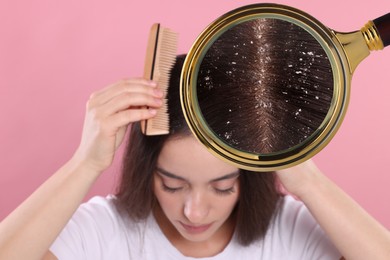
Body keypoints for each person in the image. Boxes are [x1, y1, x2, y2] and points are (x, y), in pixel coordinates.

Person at [1, 21, 390, 260]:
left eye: (222, 187)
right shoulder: (104, 230)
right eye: (172, 184)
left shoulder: (289, 231)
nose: (195, 212)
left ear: (249, 175)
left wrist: (310, 181)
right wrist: (84, 165)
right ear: (146, 169)